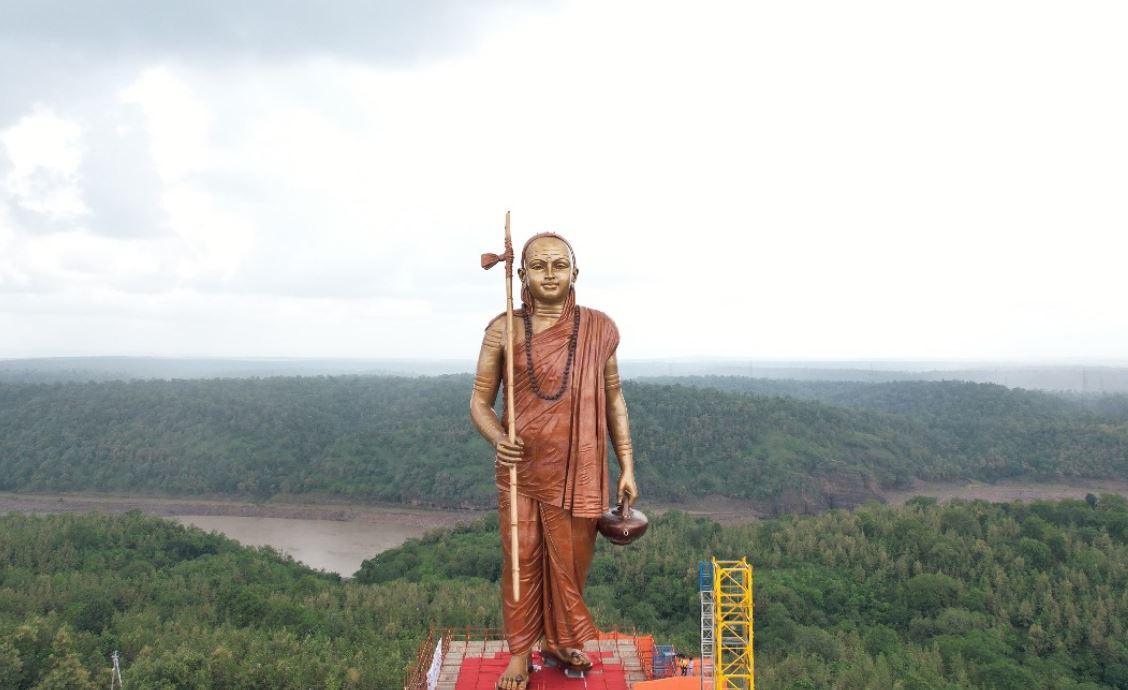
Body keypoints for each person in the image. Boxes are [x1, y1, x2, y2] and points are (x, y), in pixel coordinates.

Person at [470, 233, 639, 690]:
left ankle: (560, 642)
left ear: (575, 274)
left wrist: (627, 465)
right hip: (521, 470)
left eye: (559, 265)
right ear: (522, 274)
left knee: (571, 562)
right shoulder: (502, 328)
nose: (549, 274)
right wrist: (496, 438)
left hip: (581, 472)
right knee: (521, 560)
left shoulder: (599, 329)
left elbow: (614, 398)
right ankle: (521, 653)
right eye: (539, 266)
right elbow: (479, 403)